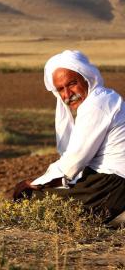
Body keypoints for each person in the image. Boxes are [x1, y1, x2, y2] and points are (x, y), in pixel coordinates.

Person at [13, 50, 125, 223]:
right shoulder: (101, 99)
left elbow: (74, 161)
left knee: (29, 198)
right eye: (60, 89)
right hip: (103, 180)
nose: (67, 94)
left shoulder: (97, 104)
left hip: (113, 184)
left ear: (86, 78)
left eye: (72, 83)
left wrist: (36, 182)